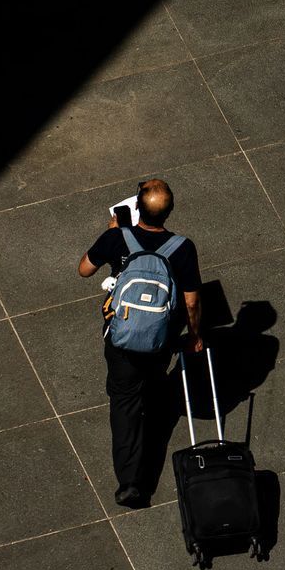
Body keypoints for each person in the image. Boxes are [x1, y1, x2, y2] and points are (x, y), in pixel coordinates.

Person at [76, 178, 203, 509]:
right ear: (170, 211)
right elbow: (190, 303)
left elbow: (84, 270)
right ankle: (153, 392)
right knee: (153, 380)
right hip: (161, 339)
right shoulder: (183, 247)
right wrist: (194, 336)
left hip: (121, 338)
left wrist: (112, 233)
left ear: (137, 208)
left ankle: (131, 483)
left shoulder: (116, 236)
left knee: (124, 404)